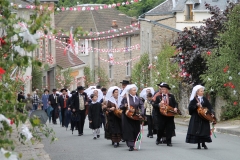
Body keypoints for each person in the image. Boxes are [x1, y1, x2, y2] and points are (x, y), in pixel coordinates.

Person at [186, 85, 214, 149]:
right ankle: (198, 144)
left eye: (203, 91)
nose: (203, 92)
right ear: (197, 92)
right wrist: (196, 105)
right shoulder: (193, 100)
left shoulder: (204, 99)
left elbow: (209, 107)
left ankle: (203, 144)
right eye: (201, 91)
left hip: (204, 117)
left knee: (204, 130)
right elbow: (190, 109)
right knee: (197, 130)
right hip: (196, 117)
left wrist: (212, 113)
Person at [120, 84, 144, 151]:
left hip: (135, 116)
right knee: (129, 131)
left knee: (136, 130)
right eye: (133, 90)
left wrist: (142, 113)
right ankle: (131, 145)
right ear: (130, 91)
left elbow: (142, 105)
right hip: (127, 117)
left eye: (135, 90)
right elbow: (120, 107)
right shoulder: (126, 98)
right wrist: (124, 106)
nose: (135, 91)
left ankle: (134, 143)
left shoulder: (138, 98)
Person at [153, 82, 178, 147]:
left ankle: (169, 141)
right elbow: (154, 105)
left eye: (164, 89)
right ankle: (158, 139)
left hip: (169, 115)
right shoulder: (158, 97)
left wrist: (175, 108)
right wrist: (159, 104)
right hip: (161, 116)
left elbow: (175, 103)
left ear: (167, 90)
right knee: (160, 128)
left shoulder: (171, 96)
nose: (163, 90)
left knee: (169, 128)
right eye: (162, 89)